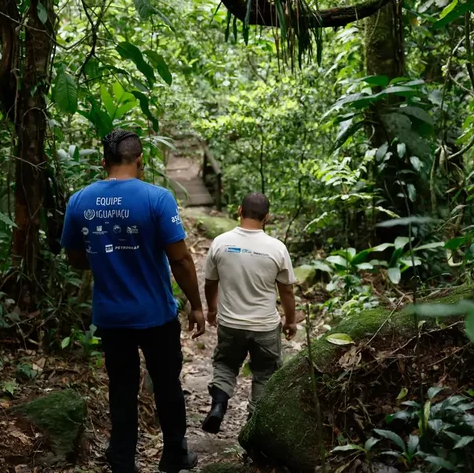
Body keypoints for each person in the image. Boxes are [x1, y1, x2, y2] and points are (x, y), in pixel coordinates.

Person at [60, 129, 205, 473]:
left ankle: (122, 459)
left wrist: (109, 259)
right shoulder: (158, 198)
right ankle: (174, 454)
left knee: (122, 389)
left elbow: (75, 257)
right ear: (140, 160)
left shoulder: (79, 200)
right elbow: (180, 259)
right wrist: (196, 305)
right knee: (167, 385)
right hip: (156, 315)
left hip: (111, 316)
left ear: (103, 162)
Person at [201, 192, 297, 434]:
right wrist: (290, 321)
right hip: (265, 327)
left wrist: (212, 309)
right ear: (267, 217)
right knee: (265, 374)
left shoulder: (220, 243)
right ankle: (254, 425)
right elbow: (286, 291)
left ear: (239, 211)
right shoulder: (277, 248)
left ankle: (218, 406)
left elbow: (210, 283)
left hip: (230, 323)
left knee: (225, 365)